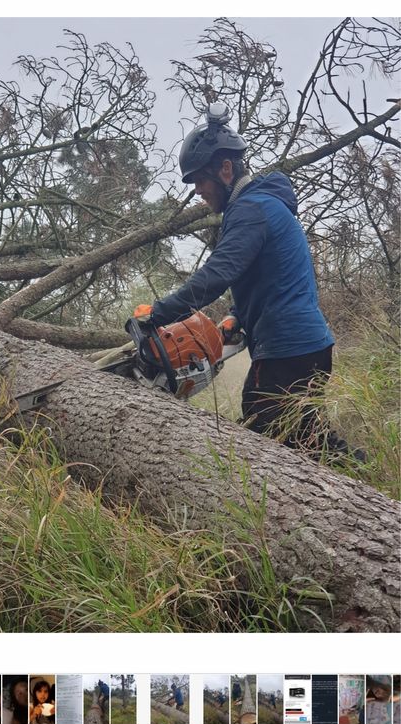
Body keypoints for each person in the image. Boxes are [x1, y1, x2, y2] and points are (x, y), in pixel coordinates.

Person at [142, 103, 359, 458]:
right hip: (306, 347)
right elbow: (265, 276)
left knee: (263, 448)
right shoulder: (261, 206)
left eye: (200, 180)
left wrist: (158, 313)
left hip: (287, 350)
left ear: (225, 169)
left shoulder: (250, 209)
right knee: (309, 442)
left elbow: (218, 272)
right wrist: (236, 316)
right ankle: (367, 488)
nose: (198, 190)